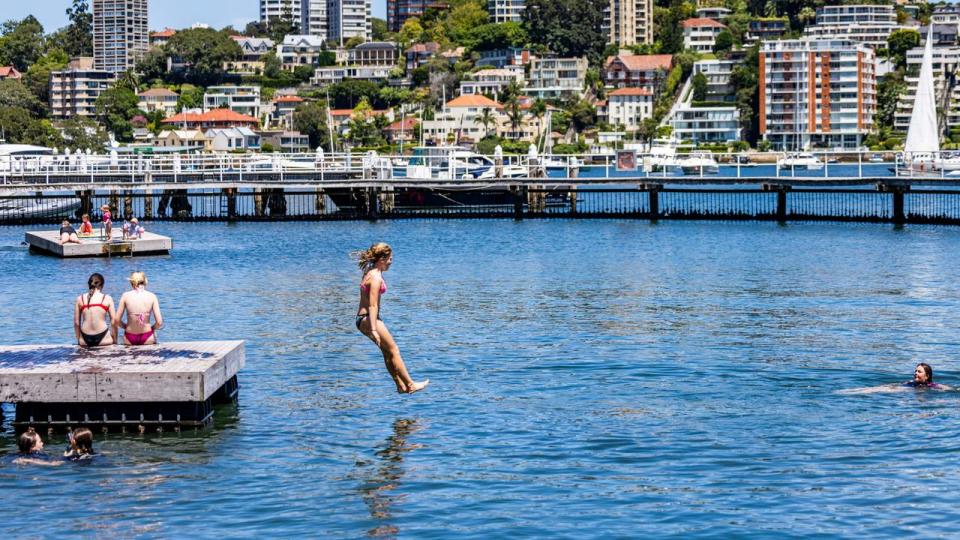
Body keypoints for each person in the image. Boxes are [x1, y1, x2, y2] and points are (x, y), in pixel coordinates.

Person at [354, 243, 428, 394]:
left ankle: (400, 385)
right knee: (394, 350)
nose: (391, 262)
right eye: (389, 259)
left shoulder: (370, 271)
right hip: (369, 319)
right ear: (381, 259)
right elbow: (373, 305)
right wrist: (374, 328)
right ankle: (410, 384)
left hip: (363, 319)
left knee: (387, 352)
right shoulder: (375, 277)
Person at [115, 271, 163, 345]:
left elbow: (117, 320)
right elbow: (159, 322)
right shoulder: (152, 296)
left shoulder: (125, 296)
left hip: (129, 336)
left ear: (131, 283)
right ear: (144, 282)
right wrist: (152, 329)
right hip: (147, 335)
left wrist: (125, 326)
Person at [74, 273, 116, 347]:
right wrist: (115, 340)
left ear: (89, 285)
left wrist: (79, 339)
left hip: (84, 339)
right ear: (102, 285)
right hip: (104, 339)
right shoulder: (107, 298)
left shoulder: (80, 299)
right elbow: (113, 322)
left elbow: (76, 323)